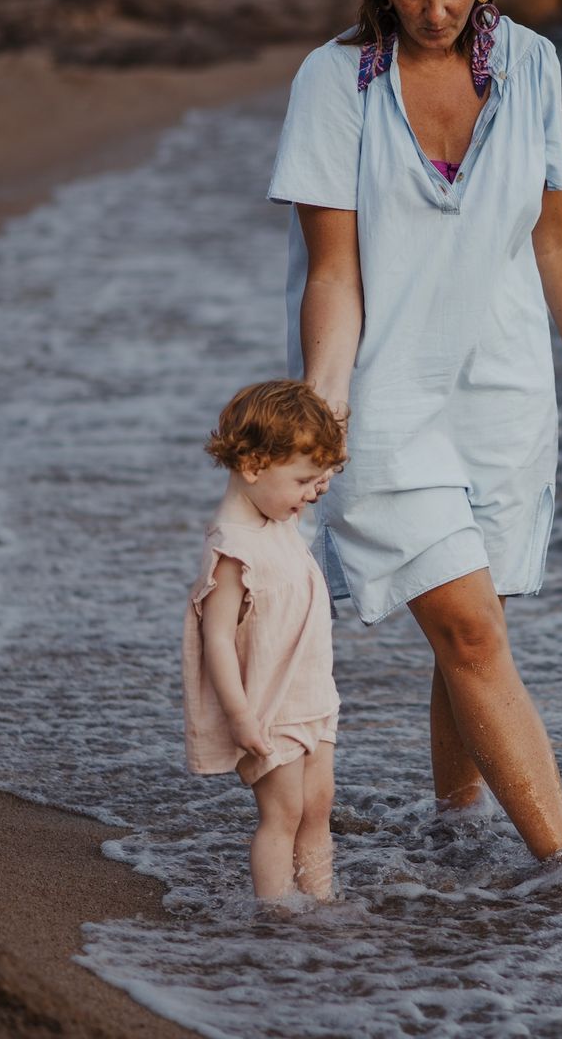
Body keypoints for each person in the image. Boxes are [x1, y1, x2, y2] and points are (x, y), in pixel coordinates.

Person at [264, 0, 562, 860]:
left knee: (470, 630)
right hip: (383, 398)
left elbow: (556, 237)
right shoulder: (335, 83)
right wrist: (323, 404)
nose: (434, 13)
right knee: (469, 632)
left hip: (503, 391)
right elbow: (333, 274)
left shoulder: (533, 66)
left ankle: (456, 834)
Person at [182, 379, 348, 899]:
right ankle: (275, 915)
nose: (315, 492)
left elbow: (307, 471)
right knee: (284, 813)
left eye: (320, 480)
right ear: (253, 466)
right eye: (304, 480)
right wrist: (240, 716)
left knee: (318, 806)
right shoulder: (233, 549)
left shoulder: (276, 514)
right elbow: (215, 641)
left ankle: (319, 902)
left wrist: (316, 466)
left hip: (313, 695)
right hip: (269, 705)